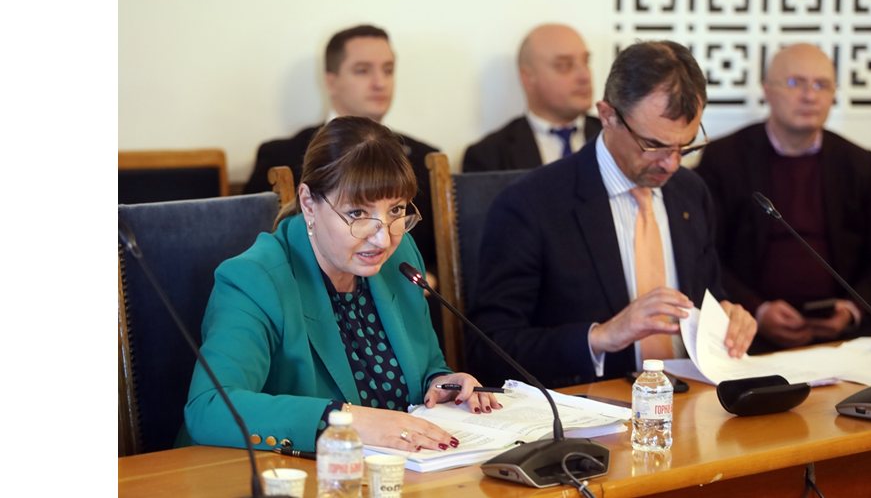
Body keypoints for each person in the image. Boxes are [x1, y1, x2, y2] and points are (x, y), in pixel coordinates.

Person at [184, 117, 498, 453]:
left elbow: (425, 367)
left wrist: (442, 383)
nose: (383, 238)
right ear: (309, 203)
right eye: (358, 214)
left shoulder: (399, 256)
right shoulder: (254, 279)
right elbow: (210, 408)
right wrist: (346, 420)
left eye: (396, 210)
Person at [466, 41, 757, 389]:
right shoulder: (530, 205)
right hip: (590, 406)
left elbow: (709, 296)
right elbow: (490, 348)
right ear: (608, 115)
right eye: (654, 145)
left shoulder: (691, 192)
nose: (671, 164)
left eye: (685, 145)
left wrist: (726, 318)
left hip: (692, 397)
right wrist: (600, 337)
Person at [694, 43, 871, 354]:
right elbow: (704, 254)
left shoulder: (857, 162)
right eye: (795, 83)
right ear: (767, 90)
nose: (809, 96)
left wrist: (852, 309)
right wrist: (758, 310)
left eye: (821, 85)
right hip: (746, 336)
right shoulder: (724, 159)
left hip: (842, 339)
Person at [243, 24, 439, 274]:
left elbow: (438, 260)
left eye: (388, 70)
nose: (380, 83)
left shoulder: (423, 157)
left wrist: (426, 281)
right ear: (331, 81)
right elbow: (256, 254)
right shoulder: (281, 156)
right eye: (362, 70)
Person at [462, 23, 601, 172]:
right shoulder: (488, 156)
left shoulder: (614, 136)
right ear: (528, 77)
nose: (584, 76)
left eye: (586, 61)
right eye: (564, 65)